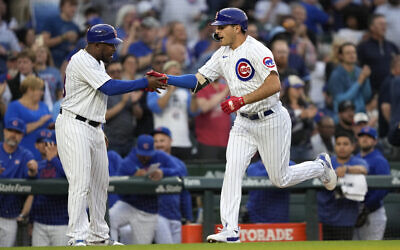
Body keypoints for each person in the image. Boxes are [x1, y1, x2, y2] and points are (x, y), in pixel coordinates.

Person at [147, 7, 337, 243]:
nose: (217, 31)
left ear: (237, 28)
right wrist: (169, 79)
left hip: (270, 118)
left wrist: (240, 100)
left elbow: (275, 84)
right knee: (233, 170)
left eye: (221, 27)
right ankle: (231, 229)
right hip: (244, 123)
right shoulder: (222, 53)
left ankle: (320, 167)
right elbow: (198, 81)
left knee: (280, 179)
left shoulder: (257, 49)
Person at [54, 23, 167, 246]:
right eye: (111, 45)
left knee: (100, 183)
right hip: (74, 124)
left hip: (93, 126)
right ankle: (77, 236)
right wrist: (144, 83)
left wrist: (99, 127)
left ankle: (98, 236)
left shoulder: (96, 62)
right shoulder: (81, 60)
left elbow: (93, 99)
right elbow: (110, 88)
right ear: (96, 45)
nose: (115, 49)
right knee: (80, 181)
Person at [109, 134, 179, 244]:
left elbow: (180, 170)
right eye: (142, 154)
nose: (146, 157)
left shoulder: (159, 156)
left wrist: (163, 172)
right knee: (110, 218)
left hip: (148, 211)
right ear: (137, 149)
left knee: (141, 245)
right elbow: (118, 189)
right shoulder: (128, 162)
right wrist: (133, 179)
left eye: (148, 154)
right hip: (128, 204)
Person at [317, 132, 369, 240]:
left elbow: (363, 169)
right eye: (339, 144)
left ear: (352, 147)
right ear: (335, 146)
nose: (342, 147)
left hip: (346, 218)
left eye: (345, 144)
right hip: (325, 217)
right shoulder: (327, 162)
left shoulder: (357, 161)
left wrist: (347, 169)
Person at [0, 118, 38, 247]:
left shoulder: (25, 154)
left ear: (22, 136)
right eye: (10, 130)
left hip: (10, 215)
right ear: (4, 131)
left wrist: (32, 170)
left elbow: (32, 175)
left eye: (17, 132)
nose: (13, 134)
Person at [152, 127, 193, 244]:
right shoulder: (148, 161)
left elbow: (185, 193)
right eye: (155, 141)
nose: (158, 144)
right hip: (155, 215)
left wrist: (188, 218)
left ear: (170, 141)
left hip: (175, 215)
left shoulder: (179, 164)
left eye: (162, 140)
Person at [31, 129, 69, 246]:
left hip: (61, 224)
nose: (49, 147)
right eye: (47, 144)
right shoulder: (40, 165)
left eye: (53, 145)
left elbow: (70, 178)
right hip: (40, 223)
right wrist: (31, 220)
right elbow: (34, 194)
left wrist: (54, 159)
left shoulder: (67, 164)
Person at [353, 127, 390, 240]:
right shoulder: (355, 158)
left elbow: (383, 188)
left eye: (369, 137)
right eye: (362, 136)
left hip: (373, 212)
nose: (365, 139)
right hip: (354, 211)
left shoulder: (379, 160)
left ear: (375, 141)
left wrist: (367, 206)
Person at [4, 75, 53, 161]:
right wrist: (39, 122)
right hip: (21, 155)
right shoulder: (14, 106)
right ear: (30, 90)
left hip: (43, 156)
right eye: (40, 90)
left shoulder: (44, 106)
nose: (42, 93)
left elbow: (50, 127)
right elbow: (13, 131)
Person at [326, 42, 372, 114]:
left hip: (361, 112)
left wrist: (366, 79)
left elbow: (366, 96)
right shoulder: (336, 75)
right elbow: (341, 100)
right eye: (348, 53)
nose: (352, 55)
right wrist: (359, 82)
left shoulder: (360, 71)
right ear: (341, 56)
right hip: (343, 115)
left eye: (354, 52)